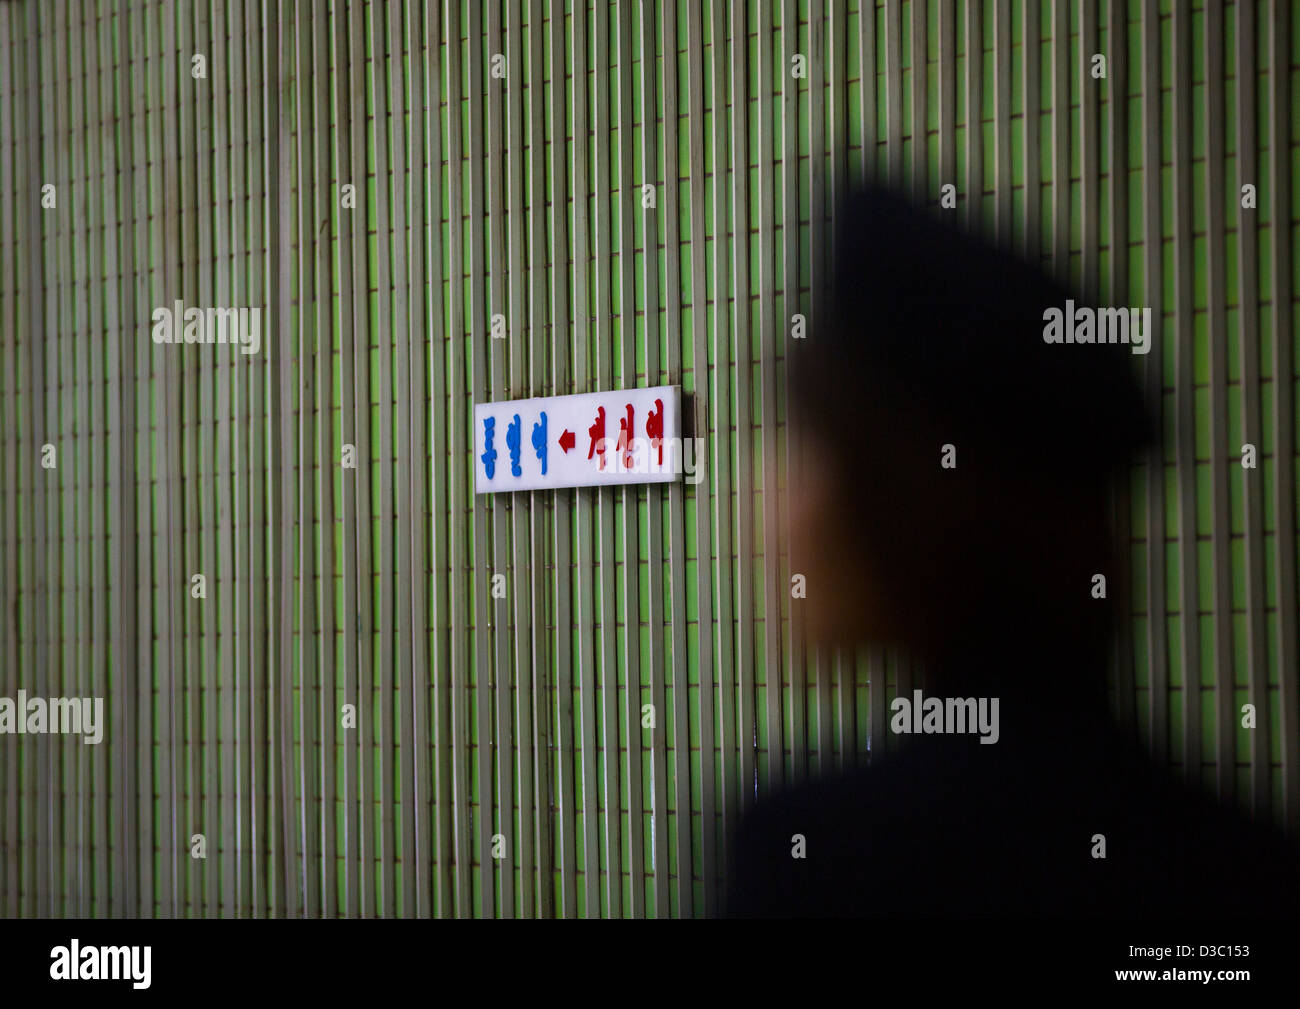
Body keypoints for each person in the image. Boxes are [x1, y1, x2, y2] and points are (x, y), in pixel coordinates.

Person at [724, 186, 1300, 918]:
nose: (777, 506)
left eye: (812, 450)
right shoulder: (1242, 862)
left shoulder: (810, 857)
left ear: (907, 503)